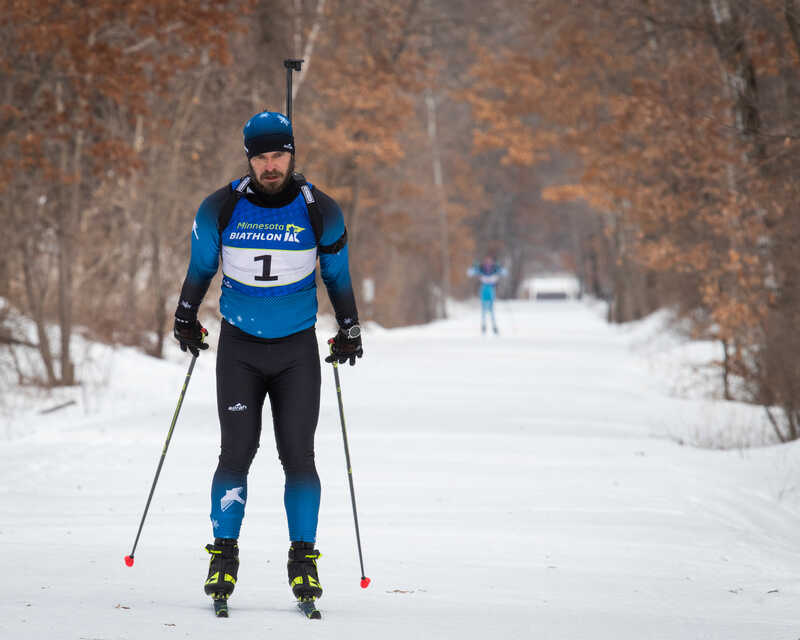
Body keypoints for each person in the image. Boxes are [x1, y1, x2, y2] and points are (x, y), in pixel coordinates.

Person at [172, 110, 362, 612]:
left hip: (297, 350)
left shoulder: (320, 209)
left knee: (298, 457)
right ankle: (224, 555)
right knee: (235, 454)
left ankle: (303, 558)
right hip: (240, 349)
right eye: (261, 156)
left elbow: (337, 277)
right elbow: (200, 268)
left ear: (292, 154)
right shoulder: (221, 208)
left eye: (278, 155)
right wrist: (185, 317)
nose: (270, 165)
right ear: (249, 158)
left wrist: (349, 327)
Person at [467, 255, 506, 334]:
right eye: (486, 261)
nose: (488, 263)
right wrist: (473, 267)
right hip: (484, 289)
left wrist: (500, 268)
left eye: (490, 261)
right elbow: (469, 273)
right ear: (484, 261)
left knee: (491, 309)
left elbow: (505, 273)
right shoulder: (481, 268)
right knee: (484, 308)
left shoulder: (495, 268)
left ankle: (494, 326)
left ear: (492, 262)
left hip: (491, 289)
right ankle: (484, 325)